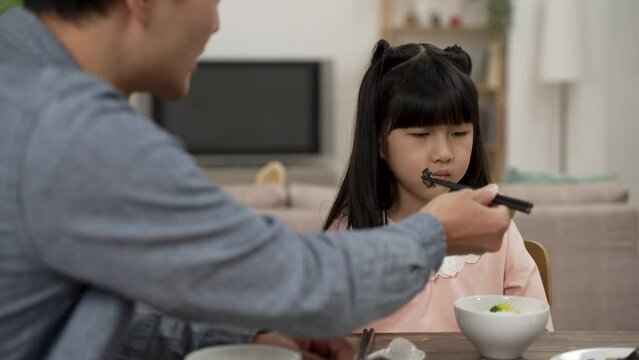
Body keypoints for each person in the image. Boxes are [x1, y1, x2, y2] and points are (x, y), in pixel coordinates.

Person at [0, 1, 514, 359]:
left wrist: (248, 339)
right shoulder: (74, 131)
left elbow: (69, 325)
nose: (216, 23)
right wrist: (436, 233)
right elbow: (287, 277)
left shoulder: (23, 85)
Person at [324, 40, 552, 332]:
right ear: (379, 143)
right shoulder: (348, 237)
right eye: (420, 134)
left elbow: (538, 334)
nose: (444, 152)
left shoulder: (496, 231)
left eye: (459, 132)